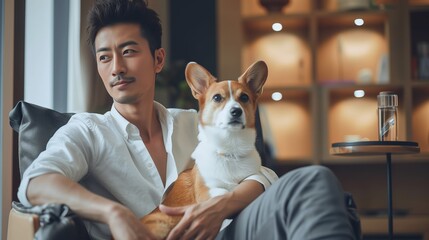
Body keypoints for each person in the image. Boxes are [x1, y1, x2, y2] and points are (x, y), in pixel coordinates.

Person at [18, 0, 356, 239]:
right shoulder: (87, 131)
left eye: (130, 51)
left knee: (314, 179)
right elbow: (36, 183)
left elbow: (263, 173)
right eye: (104, 57)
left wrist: (221, 206)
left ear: (158, 58)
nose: (116, 68)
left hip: (227, 232)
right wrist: (113, 212)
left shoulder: (198, 121)